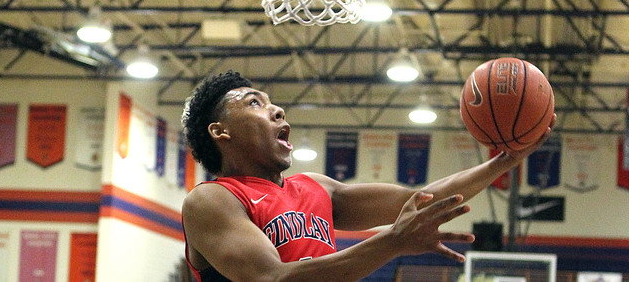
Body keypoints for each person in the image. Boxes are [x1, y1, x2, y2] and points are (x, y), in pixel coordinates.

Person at [181, 71, 554, 282]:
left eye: (271, 101)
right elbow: (271, 280)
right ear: (220, 132)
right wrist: (392, 242)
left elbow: (421, 199)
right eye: (254, 103)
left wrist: (503, 162)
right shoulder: (213, 199)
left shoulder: (316, 188)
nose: (277, 109)